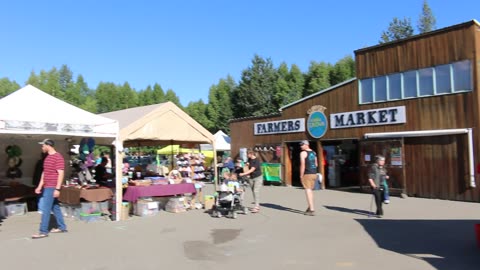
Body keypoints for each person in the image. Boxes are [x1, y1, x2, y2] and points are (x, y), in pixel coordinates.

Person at [32, 139, 68, 239]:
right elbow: (44, 173)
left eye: (43, 145)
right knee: (55, 207)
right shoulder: (47, 158)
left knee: (46, 209)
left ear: (48, 145)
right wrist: (39, 186)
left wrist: (57, 189)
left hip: (52, 187)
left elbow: (61, 173)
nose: (42, 147)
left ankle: (43, 231)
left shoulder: (58, 157)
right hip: (47, 186)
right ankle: (62, 227)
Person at [299, 140, 318, 216]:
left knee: (308, 190)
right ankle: (310, 206)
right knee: (310, 190)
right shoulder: (314, 152)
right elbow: (316, 164)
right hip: (314, 173)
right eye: (300, 145)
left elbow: (302, 164)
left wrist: (301, 175)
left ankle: (312, 209)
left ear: (307, 144)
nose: (301, 146)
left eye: (302, 144)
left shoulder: (303, 153)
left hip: (307, 173)